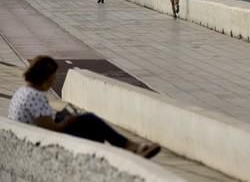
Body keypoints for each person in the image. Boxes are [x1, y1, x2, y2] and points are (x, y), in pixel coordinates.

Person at [8, 55, 160, 158]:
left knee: (89, 125)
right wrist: (67, 121)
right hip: (38, 143)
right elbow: (50, 129)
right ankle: (129, 148)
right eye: (53, 77)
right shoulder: (35, 95)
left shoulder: (23, 91)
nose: (54, 81)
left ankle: (125, 149)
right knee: (90, 122)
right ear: (45, 78)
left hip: (26, 139)